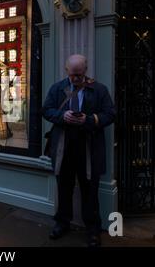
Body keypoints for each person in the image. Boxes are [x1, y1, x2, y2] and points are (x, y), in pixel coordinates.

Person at [42, 55, 116, 247]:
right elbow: (46, 110)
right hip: (63, 148)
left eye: (79, 74)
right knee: (63, 188)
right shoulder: (57, 88)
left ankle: (93, 230)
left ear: (86, 69)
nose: (75, 78)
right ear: (66, 70)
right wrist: (62, 115)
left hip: (88, 149)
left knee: (90, 191)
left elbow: (110, 114)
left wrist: (88, 120)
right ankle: (62, 223)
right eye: (72, 74)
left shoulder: (99, 89)